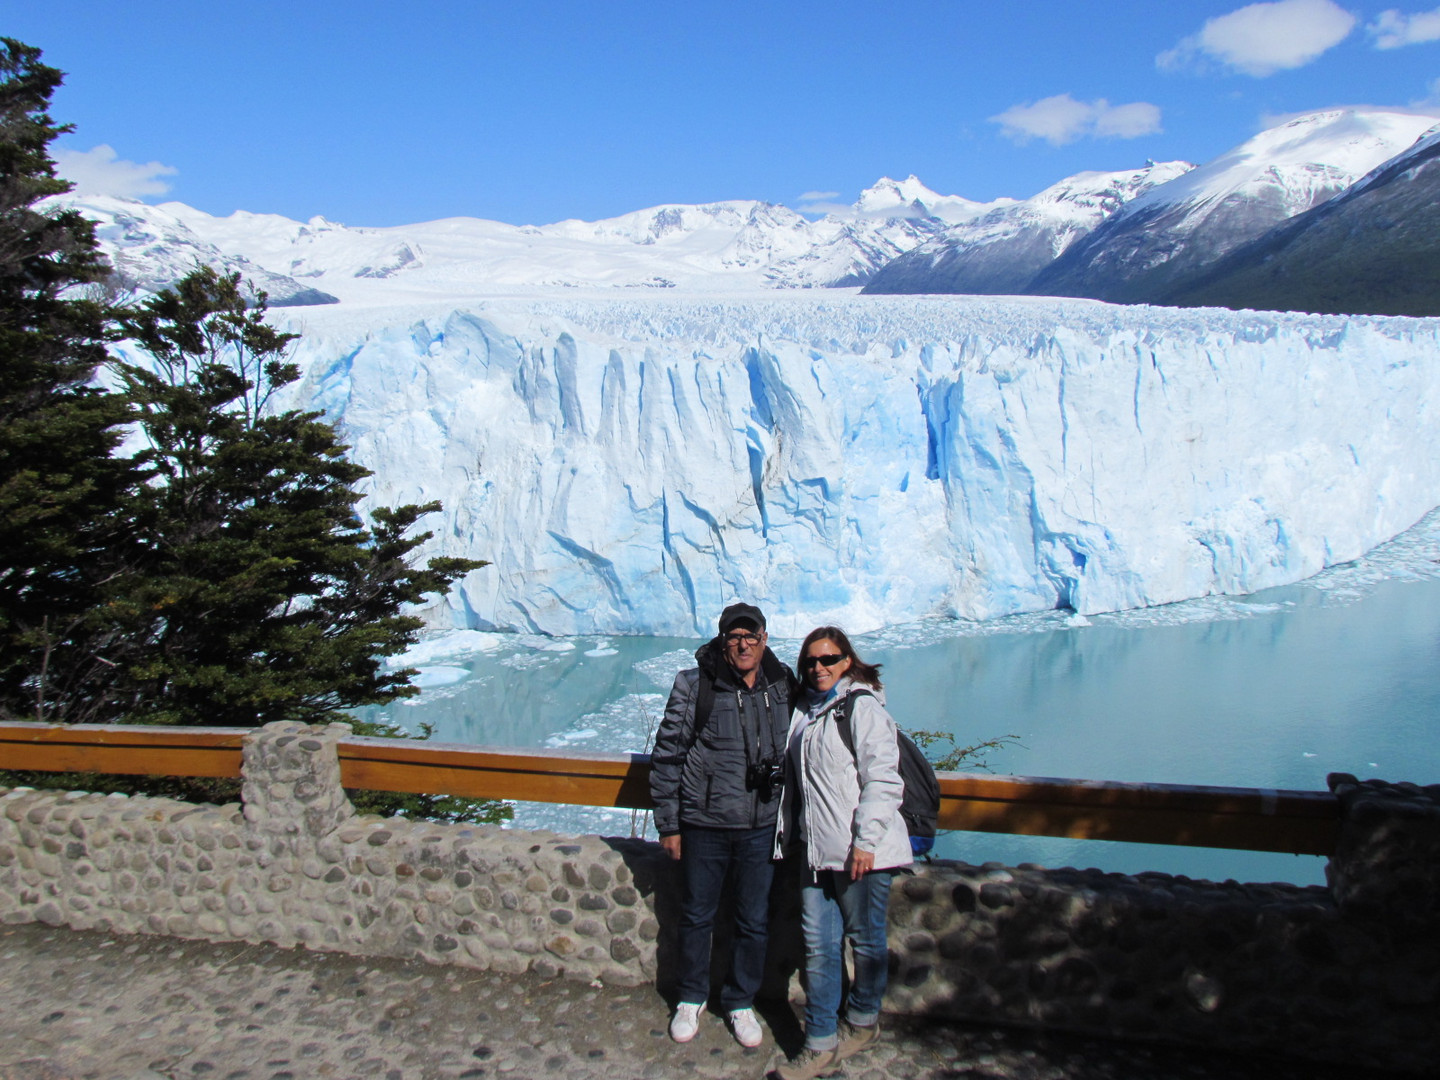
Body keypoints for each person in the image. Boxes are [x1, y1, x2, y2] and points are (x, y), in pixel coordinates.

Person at [650, 602, 798, 1048]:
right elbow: (669, 755)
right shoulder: (696, 685)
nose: (743, 644)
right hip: (705, 824)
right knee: (696, 916)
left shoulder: (782, 682)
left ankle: (739, 1001)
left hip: (761, 826)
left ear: (764, 638)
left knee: (753, 920)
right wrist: (669, 825)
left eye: (751, 635)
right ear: (722, 640)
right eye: (734, 636)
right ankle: (691, 997)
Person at [771, 626, 911, 1080]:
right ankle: (820, 1042)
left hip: (857, 853)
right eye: (811, 661)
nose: (819, 667)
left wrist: (866, 842)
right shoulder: (806, 713)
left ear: (847, 660)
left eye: (828, 659)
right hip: (815, 854)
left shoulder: (861, 707)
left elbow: (884, 778)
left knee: (866, 942)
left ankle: (864, 1021)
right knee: (819, 948)